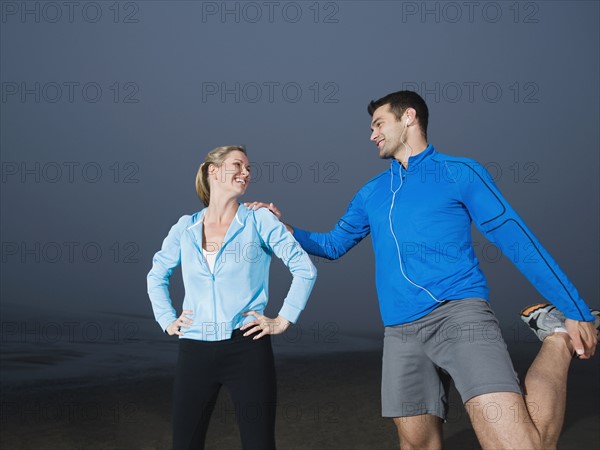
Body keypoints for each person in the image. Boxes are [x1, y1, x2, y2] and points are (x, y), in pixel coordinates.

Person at [246, 90, 599, 450]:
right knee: (416, 446)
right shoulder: (372, 193)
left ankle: (555, 337)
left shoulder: (458, 173)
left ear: (409, 118)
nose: (372, 135)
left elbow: (518, 242)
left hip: (460, 317)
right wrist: (284, 229)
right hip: (400, 331)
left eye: (378, 124)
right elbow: (334, 244)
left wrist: (575, 309)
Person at [147, 145, 317, 450]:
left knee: (259, 444)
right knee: (184, 444)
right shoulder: (185, 227)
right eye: (238, 165)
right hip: (194, 350)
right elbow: (156, 275)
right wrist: (167, 319)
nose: (246, 173)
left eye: (249, 169)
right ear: (213, 171)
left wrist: (283, 319)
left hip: (247, 348)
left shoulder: (259, 221)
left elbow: (304, 269)